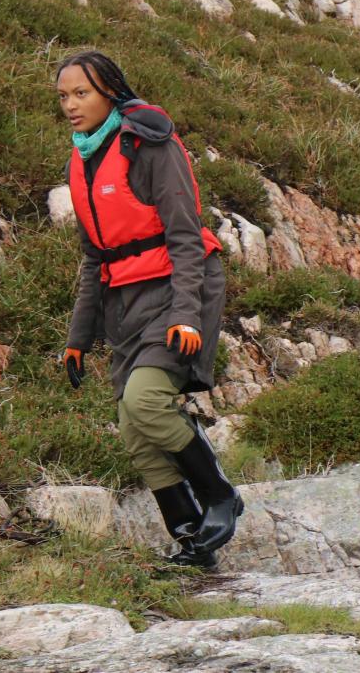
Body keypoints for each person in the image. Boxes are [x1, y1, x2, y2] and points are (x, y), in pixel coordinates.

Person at [59, 50, 240, 569]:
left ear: (110, 92)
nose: (71, 106)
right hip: (125, 305)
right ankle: (191, 539)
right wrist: (78, 336)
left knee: (145, 402)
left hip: (179, 289)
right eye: (64, 96)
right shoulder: (83, 158)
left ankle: (221, 496)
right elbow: (96, 257)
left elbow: (186, 238)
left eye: (82, 94)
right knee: (133, 429)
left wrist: (185, 313)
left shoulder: (149, 144)